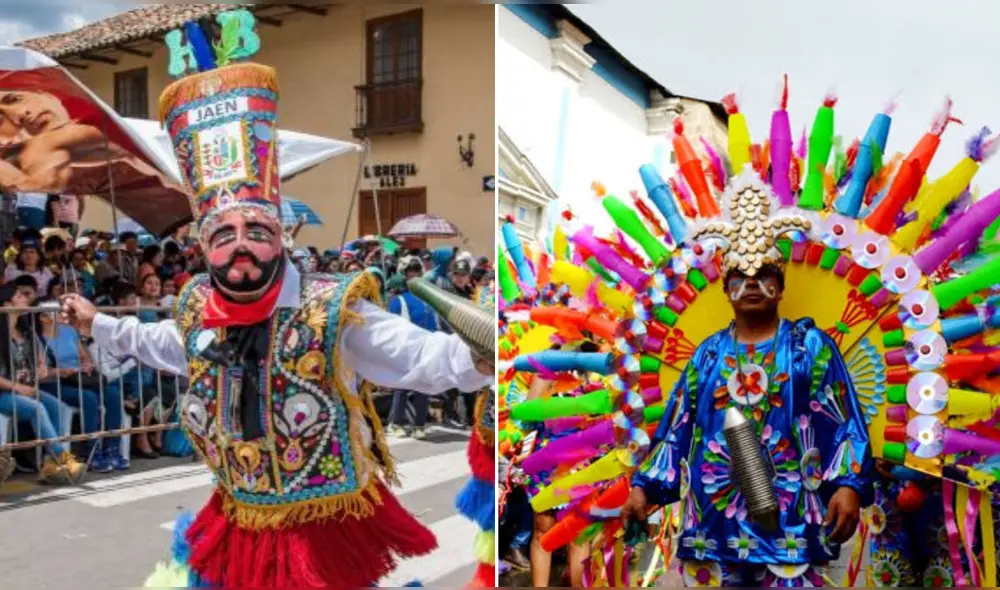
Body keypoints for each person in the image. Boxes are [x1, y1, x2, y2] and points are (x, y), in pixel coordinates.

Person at [61, 28, 493, 588]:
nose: (240, 246)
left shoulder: (330, 310)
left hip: (322, 529)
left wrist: (480, 358)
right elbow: (162, 345)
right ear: (202, 246)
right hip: (237, 517)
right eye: (223, 234)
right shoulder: (198, 309)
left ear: (282, 239)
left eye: (256, 230)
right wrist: (99, 324)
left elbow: (419, 357)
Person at [621, 193, 873, 586]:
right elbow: (677, 430)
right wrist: (643, 487)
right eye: (741, 277)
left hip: (791, 527)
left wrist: (847, 484)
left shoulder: (809, 347)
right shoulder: (707, 356)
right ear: (726, 288)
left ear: (780, 285)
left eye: (764, 277)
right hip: (714, 527)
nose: (752, 285)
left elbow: (844, 421)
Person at [0, 283, 85, 483]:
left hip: (25, 389)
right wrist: (18, 387)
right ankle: (63, 458)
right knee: (37, 408)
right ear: (6, 303)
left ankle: (50, 464)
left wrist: (41, 370)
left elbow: (39, 366)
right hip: (5, 393)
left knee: (59, 407)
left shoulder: (27, 332)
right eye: (20, 295)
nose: (25, 298)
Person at [386, 256, 440, 439]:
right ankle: (395, 423)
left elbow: (435, 324)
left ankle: (419, 424)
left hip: (427, 348)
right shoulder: (398, 300)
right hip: (406, 351)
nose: (414, 276)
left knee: (423, 387)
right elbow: (391, 327)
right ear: (404, 276)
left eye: (417, 272)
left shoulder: (428, 299)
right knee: (402, 387)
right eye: (410, 273)